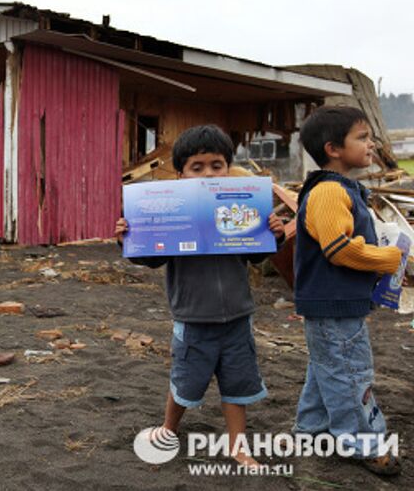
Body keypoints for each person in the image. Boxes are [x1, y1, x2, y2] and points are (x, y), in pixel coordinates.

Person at [115, 125, 284, 466]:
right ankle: (168, 429)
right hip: (192, 320)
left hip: (238, 318)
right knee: (185, 382)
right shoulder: (173, 214)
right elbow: (151, 257)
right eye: (197, 167)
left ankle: (238, 446)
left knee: (236, 385)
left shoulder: (240, 209)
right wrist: (128, 238)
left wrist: (274, 235)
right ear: (180, 174)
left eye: (216, 165)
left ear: (228, 168)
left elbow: (254, 256)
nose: (208, 173)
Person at [293, 106, 402, 475]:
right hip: (335, 303)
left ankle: (311, 429)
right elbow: (339, 249)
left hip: (333, 303)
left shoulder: (340, 189)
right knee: (351, 372)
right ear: (333, 149)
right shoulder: (327, 192)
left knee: (328, 366)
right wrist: (389, 259)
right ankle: (363, 443)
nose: (372, 144)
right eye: (362, 137)